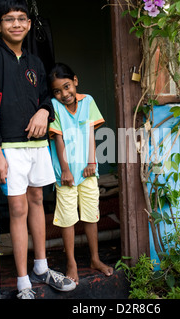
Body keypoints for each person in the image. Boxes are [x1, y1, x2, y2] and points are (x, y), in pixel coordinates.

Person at [0, 0, 75, 299]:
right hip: (9, 146)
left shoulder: (35, 63)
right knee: (17, 207)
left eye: (22, 19)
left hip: (37, 145)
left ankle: (42, 267)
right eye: (9, 19)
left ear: (29, 23)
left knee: (37, 198)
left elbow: (47, 99)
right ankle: (23, 282)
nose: (16, 24)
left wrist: (43, 113)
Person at [48, 63, 114, 285]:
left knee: (90, 214)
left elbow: (90, 133)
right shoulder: (54, 107)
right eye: (57, 90)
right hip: (66, 174)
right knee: (67, 218)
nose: (64, 94)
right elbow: (58, 138)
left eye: (67, 87)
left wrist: (91, 162)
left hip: (88, 171)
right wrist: (65, 169)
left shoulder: (88, 102)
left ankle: (95, 259)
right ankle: (71, 263)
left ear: (75, 81)